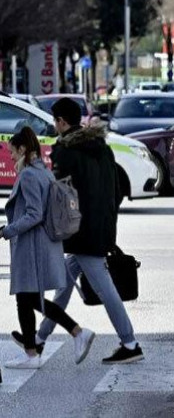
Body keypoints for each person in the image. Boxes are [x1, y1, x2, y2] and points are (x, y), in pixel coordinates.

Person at [30, 98, 144, 364]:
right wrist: (106, 217)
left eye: (55, 122)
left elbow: (59, 194)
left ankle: (130, 343)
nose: (54, 127)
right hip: (101, 224)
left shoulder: (65, 151)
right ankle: (38, 339)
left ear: (61, 121)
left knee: (105, 288)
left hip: (79, 230)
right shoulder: (101, 146)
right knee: (64, 283)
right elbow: (115, 187)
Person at [0, 127, 95, 369]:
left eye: (12, 151)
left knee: (27, 298)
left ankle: (60, 340)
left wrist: (7, 230)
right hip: (42, 244)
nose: (9, 157)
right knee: (28, 299)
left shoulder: (30, 175)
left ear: (22, 149)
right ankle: (43, 347)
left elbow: (34, 214)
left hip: (33, 246)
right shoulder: (43, 171)